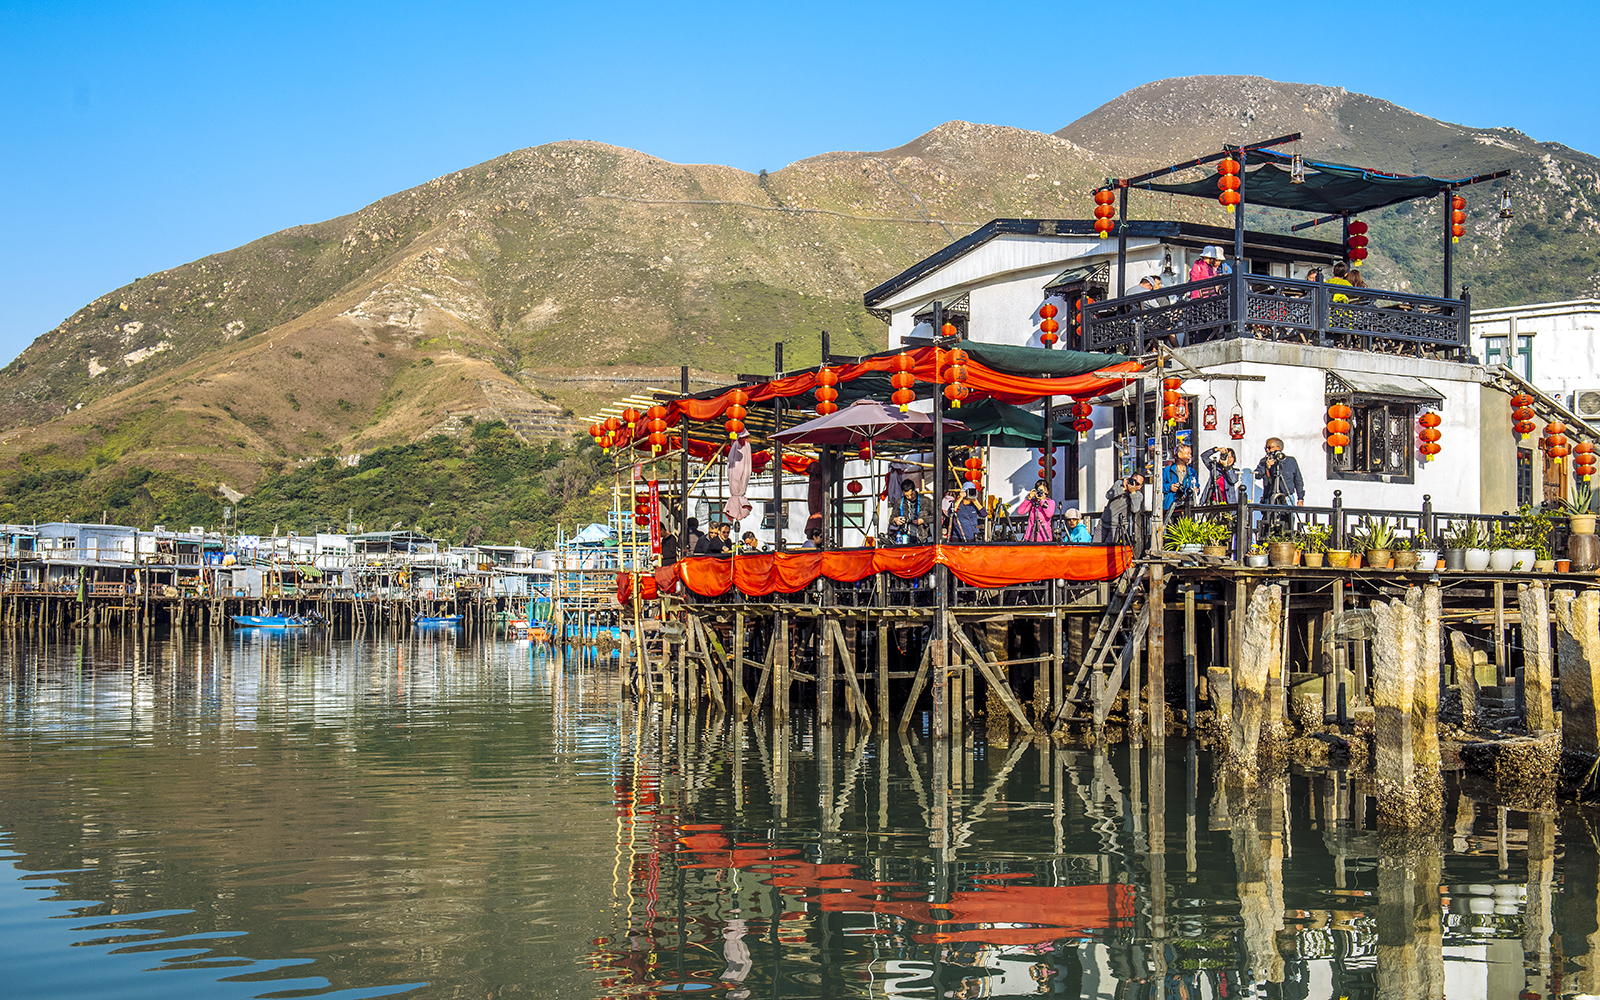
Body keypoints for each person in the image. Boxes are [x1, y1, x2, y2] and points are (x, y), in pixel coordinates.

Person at [1255, 438, 1305, 507]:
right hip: (1270, 498)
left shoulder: (1290, 461)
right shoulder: (1264, 461)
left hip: (1287, 498)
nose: (1267, 450)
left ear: (1279, 448)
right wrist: (1267, 466)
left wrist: (1300, 498)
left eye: (1269, 448)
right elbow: (1257, 475)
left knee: (1289, 517)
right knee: (1269, 517)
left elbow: (1298, 480)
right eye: (1265, 448)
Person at [1100, 475, 1146, 545]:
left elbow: (1135, 509)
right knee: (1095, 547)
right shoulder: (1119, 484)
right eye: (1133, 481)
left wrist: (1133, 493)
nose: (1134, 484)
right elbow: (1108, 495)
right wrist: (1123, 489)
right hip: (1103, 522)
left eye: (1137, 484)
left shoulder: (1138, 495)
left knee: (1108, 548)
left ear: (1140, 486)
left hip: (1117, 526)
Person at [890, 480, 930, 544]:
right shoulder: (899, 502)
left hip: (922, 537)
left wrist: (923, 520)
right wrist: (895, 520)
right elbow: (891, 519)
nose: (909, 497)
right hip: (905, 537)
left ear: (914, 489)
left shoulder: (925, 501)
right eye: (907, 495)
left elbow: (936, 517)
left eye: (911, 494)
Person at [1162, 445, 1200, 511]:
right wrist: (1170, 487)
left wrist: (1196, 490)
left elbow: (1197, 486)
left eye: (1190, 454)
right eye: (1187, 453)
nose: (1190, 456)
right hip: (1170, 505)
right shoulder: (1167, 470)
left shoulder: (1192, 471)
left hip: (1187, 505)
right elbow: (1159, 487)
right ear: (1179, 454)